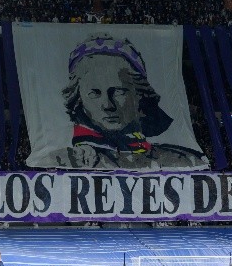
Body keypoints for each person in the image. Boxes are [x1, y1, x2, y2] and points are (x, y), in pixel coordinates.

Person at [41, 33, 207, 170]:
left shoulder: (185, 161)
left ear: (139, 95)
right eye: (94, 93)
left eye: (119, 91)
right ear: (78, 98)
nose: (108, 105)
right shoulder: (61, 162)